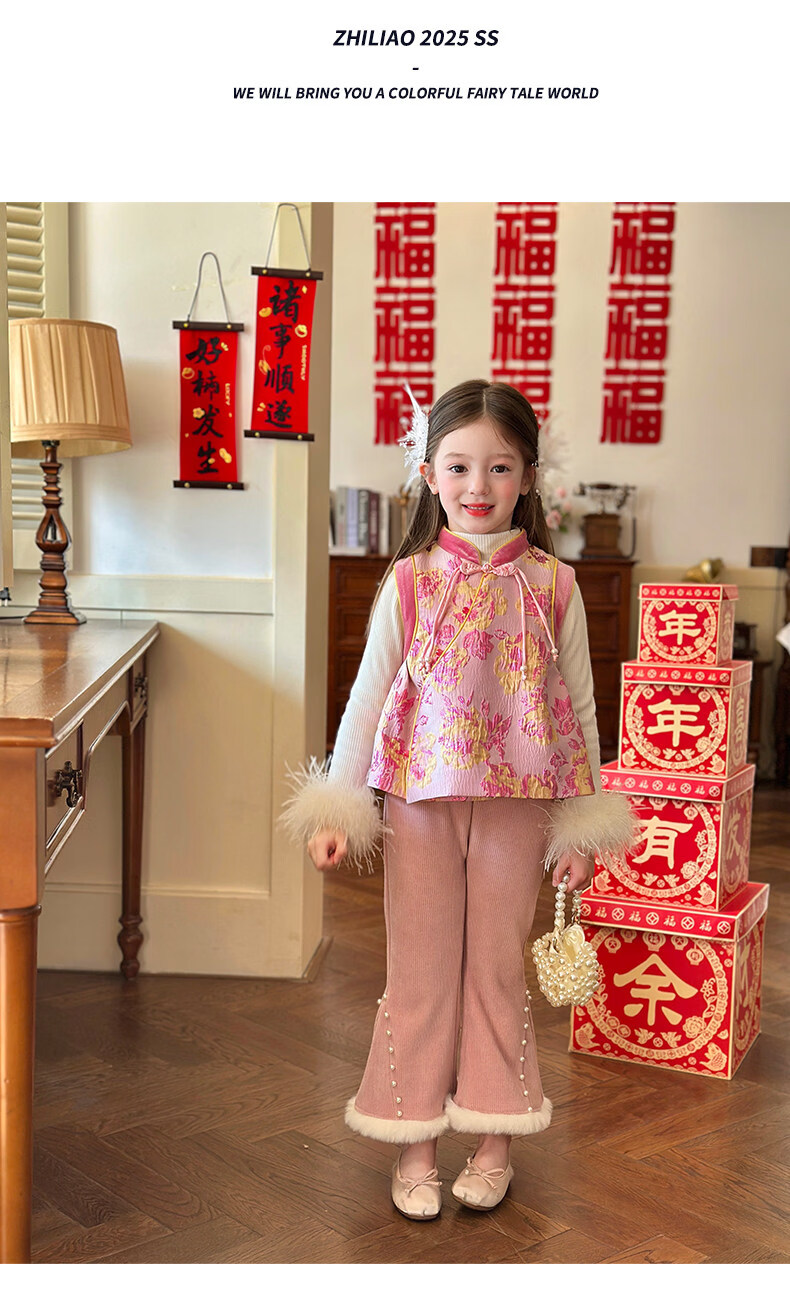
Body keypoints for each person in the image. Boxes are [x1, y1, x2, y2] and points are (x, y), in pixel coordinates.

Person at [281, 379, 638, 1220]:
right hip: (420, 801)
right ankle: (414, 1145)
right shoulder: (409, 581)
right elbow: (368, 697)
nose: (479, 486)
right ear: (429, 473)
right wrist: (337, 809)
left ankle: (494, 1139)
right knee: (420, 969)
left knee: (496, 970)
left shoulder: (555, 586)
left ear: (529, 476)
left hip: (521, 804)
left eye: (500, 467)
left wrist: (583, 828)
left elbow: (583, 707)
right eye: (459, 466)